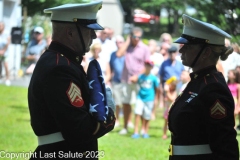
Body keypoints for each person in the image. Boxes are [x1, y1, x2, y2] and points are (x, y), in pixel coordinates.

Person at [28, 1, 115, 159]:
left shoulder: (60, 61)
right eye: (89, 30)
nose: (94, 36)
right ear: (70, 33)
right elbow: (80, 129)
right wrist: (109, 114)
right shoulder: (60, 68)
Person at [168, 14, 239, 159]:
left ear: (206, 52)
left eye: (188, 46)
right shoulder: (198, 82)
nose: (181, 50)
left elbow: (225, 146)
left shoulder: (213, 88)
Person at [116, 27, 151, 135]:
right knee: (126, 103)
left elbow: (148, 65)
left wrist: (138, 76)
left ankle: (142, 129)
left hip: (139, 81)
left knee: (142, 103)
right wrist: (127, 41)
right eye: (135, 37)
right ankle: (125, 127)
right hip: (126, 79)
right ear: (131, 36)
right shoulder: (127, 47)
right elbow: (119, 54)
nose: (137, 39)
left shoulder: (145, 48)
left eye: (139, 37)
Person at [131, 60, 159, 139]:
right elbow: (134, 80)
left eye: (149, 66)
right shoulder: (140, 76)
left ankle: (145, 132)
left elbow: (157, 89)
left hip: (149, 98)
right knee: (137, 113)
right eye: (146, 65)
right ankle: (136, 131)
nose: (147, 67)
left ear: (152, 67)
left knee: (147, 115)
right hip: (140, 97)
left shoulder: (154, 78)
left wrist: (156, 99)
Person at [109, 35, 125, 127]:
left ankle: (128, 121)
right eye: (117, 42)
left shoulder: (127, 54)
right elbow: (111, 68)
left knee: (127, 103)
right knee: (117, 103)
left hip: (126, 81)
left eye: (120, 42)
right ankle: (117, 119)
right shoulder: (113, 55)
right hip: (116, 81)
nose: (118, 44)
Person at [0, 22, 11, 86]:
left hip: (5, 52)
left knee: (6, 65)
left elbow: (8, 43)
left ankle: (7, 79)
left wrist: (3, 51)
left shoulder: (6, 33)